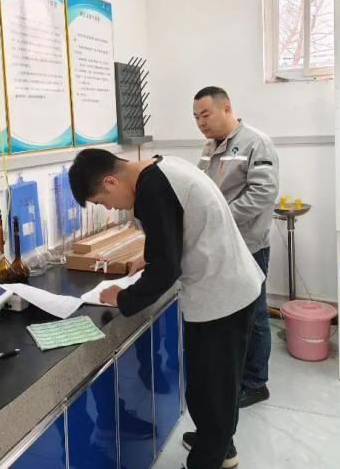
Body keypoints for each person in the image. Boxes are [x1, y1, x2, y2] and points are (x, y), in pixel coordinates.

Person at [69, 149, 264, 469]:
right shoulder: (161, 166)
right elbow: (177, 223)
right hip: (228, 287)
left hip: (222, 297)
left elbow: (165, 271)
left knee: (214, 393)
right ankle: (218, 445)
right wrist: (149, 254)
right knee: (209, 386)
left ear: (111, 181)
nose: (111, 209)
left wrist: (122, 297)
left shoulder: (152, 188)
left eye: (103, 201)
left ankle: (211, 457)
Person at [192, 86, 279, 408]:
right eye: (196, 117)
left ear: (227, 108)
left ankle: (256, 383)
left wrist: (222, 219)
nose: (201, 122)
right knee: (233, 313)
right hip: (221, 243)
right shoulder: (209, 147)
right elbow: (202, 188)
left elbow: (262, 194)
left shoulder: (256, 142)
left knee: (254, 314)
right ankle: (238, 374)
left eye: (206, 114)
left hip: (249, 243)